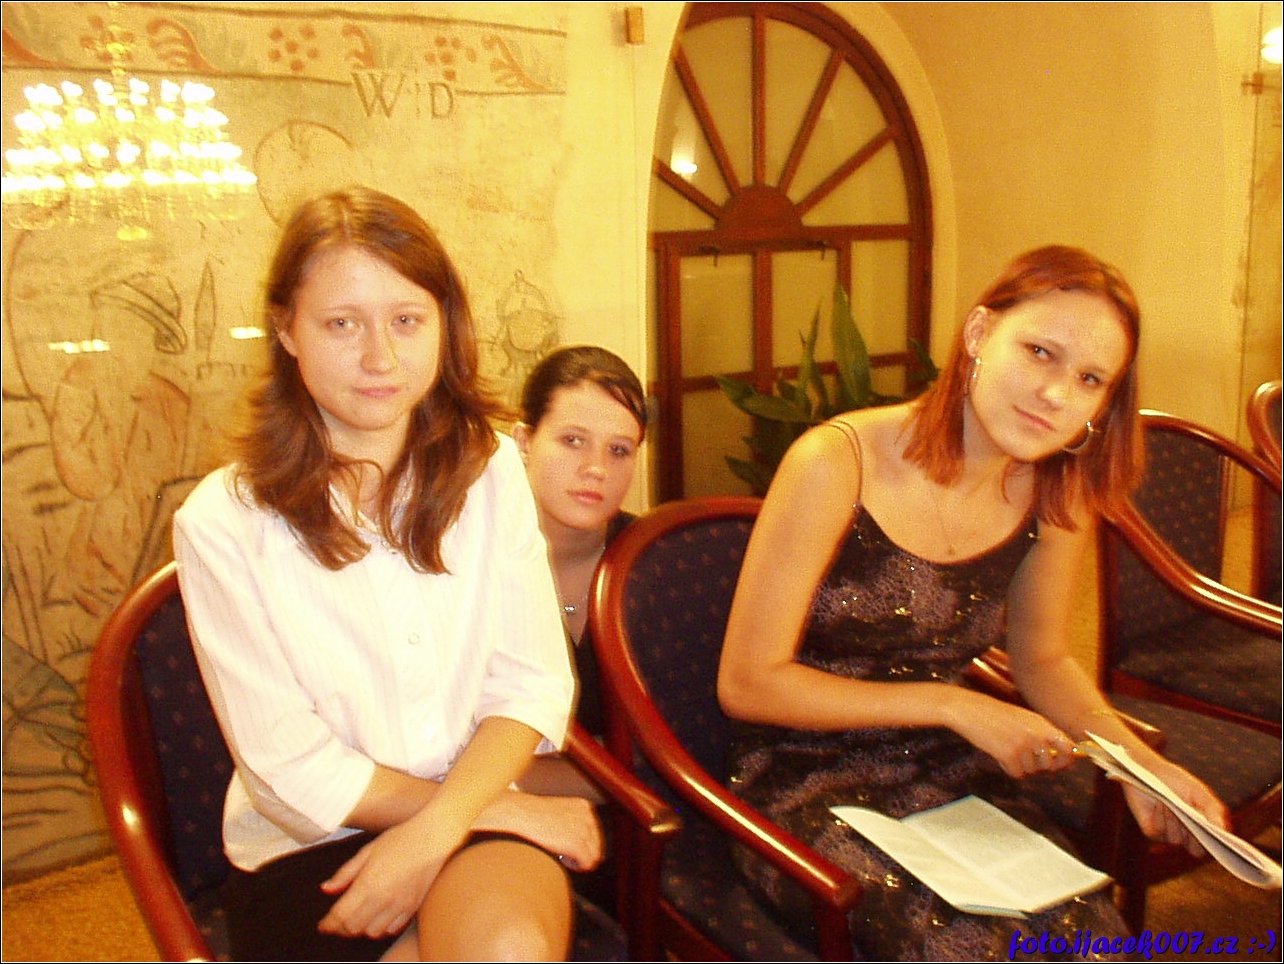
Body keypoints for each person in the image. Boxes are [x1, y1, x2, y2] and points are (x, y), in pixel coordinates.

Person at [716, 245, 1228, 960]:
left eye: (1089, 379)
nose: (1056, 394)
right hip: (796, 770)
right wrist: (955, 705)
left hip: (942, 766)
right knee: (960, 946)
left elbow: (1044, 660)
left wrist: (1141, 767)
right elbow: (748, 683)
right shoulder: (838, 461)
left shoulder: (1057, 491)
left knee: (1088, 939)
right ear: (980, 333)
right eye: (1040, 352)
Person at [172, 186, 601, 962]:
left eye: (407, 320)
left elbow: (530, 684)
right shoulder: (222, 522)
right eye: (342, 324)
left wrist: (445, 826)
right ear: (286, 329)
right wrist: (506, 812)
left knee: (505, 949)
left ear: (444, 322)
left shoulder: (493, 470)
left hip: (474, 803)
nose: (381, 358)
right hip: (311, 840)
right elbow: (290, 769)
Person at [513, 345, 648, 739]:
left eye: (619, 450)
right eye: (573, 440)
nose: (596, 468)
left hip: (638, 780)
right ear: (524, 441)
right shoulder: (467, 560)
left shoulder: (660, 562)